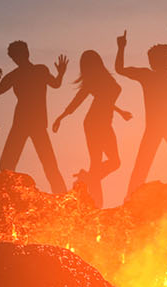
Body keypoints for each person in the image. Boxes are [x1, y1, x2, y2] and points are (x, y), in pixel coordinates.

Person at [116, 28, 167, 196]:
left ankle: (129, 199)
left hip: (156, 127)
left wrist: (121, 46)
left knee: (141, 167)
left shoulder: (147, 76)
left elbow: (119, 69)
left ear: (151, 62)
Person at [53, 50, 133, 208]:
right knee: (96, 163)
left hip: (105, 123)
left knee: (115, 162)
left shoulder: (103, 80)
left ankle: (87, 180)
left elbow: (107, 100)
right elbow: (77, 101)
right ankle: (96, 203)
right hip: (94, 123)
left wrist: (121, 112)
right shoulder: (92, 82)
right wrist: (61, 116)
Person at [0, 40, 69, 193]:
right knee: (45, 162)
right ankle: (58, 194)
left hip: (27, 122)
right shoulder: (36, 71)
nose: (15, 59)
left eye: (15, 56)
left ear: (21, 55)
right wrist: (61, 73)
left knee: (10, 163)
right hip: (28, 122)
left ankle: (60, 194)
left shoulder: (24, 74)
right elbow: (56, 84)